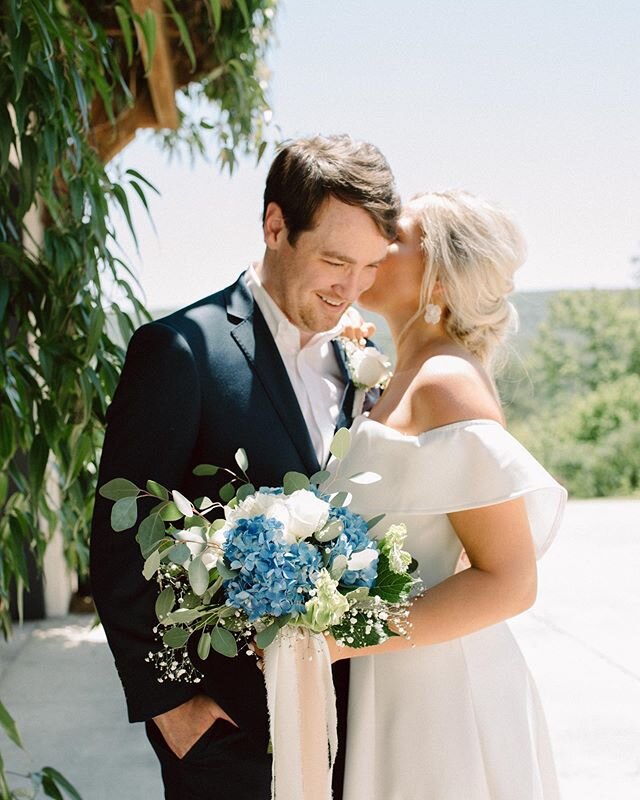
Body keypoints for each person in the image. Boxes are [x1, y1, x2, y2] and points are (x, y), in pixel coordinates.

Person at [89, 134, 400, 800]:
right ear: (275, 226)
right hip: (229, 737)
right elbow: (120, 544)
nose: (352, 288)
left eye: (370, 267)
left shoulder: (360, 357)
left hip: (357, 731)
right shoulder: (180, 351)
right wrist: (175, 713)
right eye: (335, 260)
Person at [326, 190, 567, 800]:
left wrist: (349, 633)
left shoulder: (447, 383)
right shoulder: (395, 377)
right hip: (392, 675)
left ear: (438, 282)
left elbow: (510, 580)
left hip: (443, 692)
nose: (376, 242)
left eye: (396, 235)